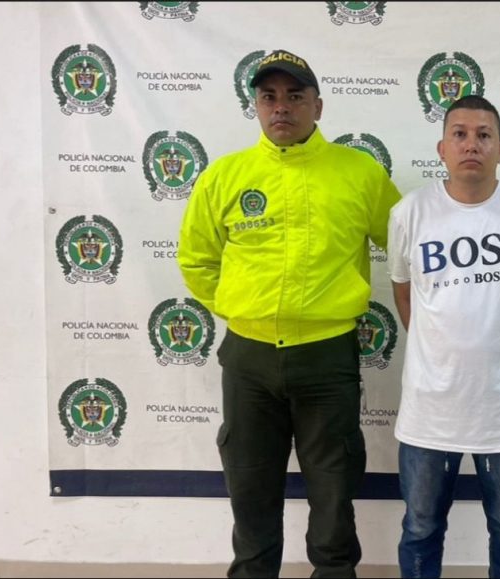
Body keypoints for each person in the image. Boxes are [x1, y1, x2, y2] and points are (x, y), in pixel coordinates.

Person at [177, 49, 401, 578]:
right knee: (251, 493)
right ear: (255, 105)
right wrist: (245, 309)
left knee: (333, 491)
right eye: (269, 97)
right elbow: (197, 259)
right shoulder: (225, 176)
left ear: (317, 107)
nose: (282, 108)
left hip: (327, 359)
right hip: (249, 359)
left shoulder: (360, 174)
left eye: (295, 97)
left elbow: (406, 245)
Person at [387, 95, 500, 579]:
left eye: (483, 135)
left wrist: (498, 343)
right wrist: (440, 349)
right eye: (459, 134)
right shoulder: (409, 213)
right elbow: (405, 294)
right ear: (441, 147)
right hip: (430, 407)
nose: (471, 144)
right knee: (420, 528)